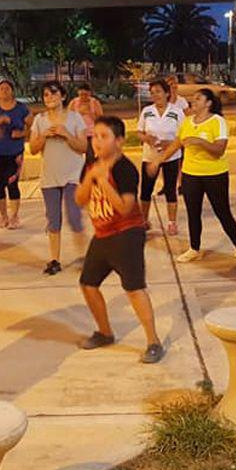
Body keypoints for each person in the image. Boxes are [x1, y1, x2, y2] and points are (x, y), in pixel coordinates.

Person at [75, 115, 165, 364]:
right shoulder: (93, 165)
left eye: (104, 137)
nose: (97, 142)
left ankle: (153, 342)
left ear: (120, 141)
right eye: (95, 137)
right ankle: (105, 332)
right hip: (102, 234)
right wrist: (91, 178)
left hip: (127, 234)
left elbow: (126, 207)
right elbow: (80, 199)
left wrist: (104, 183)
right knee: (88, 284)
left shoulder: (125, 168)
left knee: (134, 289)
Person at [148, 89, 236, 264]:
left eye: (198, 98)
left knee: (222, 211)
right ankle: (194, 248)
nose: (193, 101)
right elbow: (176, 144)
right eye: (193, 98)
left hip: (215, 174)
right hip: (191, 174)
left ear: (208, 103)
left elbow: (219, 150)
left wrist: (201, 142)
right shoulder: (187, 122)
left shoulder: (217, 121)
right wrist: (158, 161)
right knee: (193, 212)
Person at [29, 81, 88, 275]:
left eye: (53, 94)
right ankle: (54, 259)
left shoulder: (74, 117)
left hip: (73, 174)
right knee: (53, 220)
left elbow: (83, 147)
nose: (49, 98)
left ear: (63, 96)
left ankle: (85, 257)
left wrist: (66, 134)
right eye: (46, 95)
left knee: (74, 217)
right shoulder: (40, 120)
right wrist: (44, 136)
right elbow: (33, 149)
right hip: (50, 176)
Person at [137, 79, 183, 235]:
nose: (155, 95)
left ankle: (172, 222)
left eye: (158, 91)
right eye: (152, 92)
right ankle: (144, 220)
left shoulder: (176, 112)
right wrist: (146, 139)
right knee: (146, 189)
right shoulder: (147, 111)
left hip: (171, 156)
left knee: (170, 189)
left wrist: (170, 143)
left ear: (167, 93)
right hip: (150, 157)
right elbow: (139, 131)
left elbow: (183, 136)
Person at [0, 80, 32, 229]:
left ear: (12, 90)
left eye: (7, 88)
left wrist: (22, 133)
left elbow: (33, 127)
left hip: (15, 153)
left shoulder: (21, 109)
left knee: (12, 183)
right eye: (1, 89)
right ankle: (3, 216)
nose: (4, 91)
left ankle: (14, 216)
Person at [68, 82, 104, 166]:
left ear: (89, 94)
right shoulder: (74, 103)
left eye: (85, 95)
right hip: (77, 133)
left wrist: (90, 113)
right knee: (76, 156)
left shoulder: (94, 103)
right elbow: (68, 118)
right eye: (81, 95)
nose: (83, 98)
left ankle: (90, 172)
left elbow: (101, 119)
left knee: (90, 155)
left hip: (90, 133)